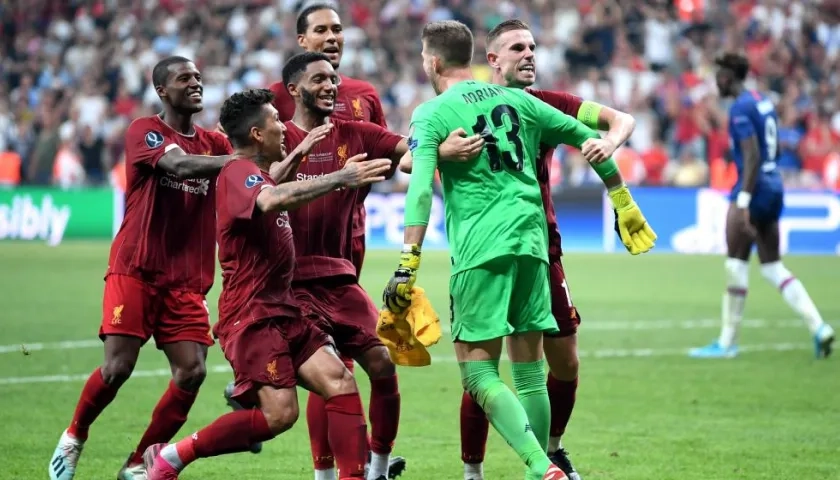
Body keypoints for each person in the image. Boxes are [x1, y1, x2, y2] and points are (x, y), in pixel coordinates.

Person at [383, 20, 655, 480]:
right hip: (534, 246)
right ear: (477, 59)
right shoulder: (522, 101)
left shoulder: (432, 113)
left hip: (481, 250)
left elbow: (419, 191)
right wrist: (622, 199)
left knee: (478, 373)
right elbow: (593, 144)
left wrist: (408, 261)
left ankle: (538, 466)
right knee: (529, 369)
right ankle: (544, 464)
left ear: (431, 62)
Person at [142, 88, 393, 480]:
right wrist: (339, 177)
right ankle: (172, 456)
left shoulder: (253, 172)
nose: (283, 125)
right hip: (253, 317)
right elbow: (270, 199)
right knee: (281, 416)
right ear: (257, 134)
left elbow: (271, 182)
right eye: (276, 120)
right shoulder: (237, 170)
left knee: (340, 381)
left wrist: (298, 153)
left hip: (283, 308)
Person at [47, 56, 235, 480]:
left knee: (193, 372)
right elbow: (179, 165)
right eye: (184, 78)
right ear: (162, 91)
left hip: (186, 279)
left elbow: (246, 180)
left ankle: (137, 464)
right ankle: (74, 437)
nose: (195, 83)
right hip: (137, 267)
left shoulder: (215, 143)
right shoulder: (144, 130)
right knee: (117, 368)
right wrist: (239, 162)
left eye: (199, 77)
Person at [244, 7, 406, 477]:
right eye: (322, 30)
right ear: (301, 41)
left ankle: (369, 465)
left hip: (344, 251)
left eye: (338, 28)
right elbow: (262, 182)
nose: (333, 36)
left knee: (368, 364)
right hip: (291, 264)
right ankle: (325, 468)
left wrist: (430, 153)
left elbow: (391, 152)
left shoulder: (364, 100)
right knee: (333, 372)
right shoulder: (273, 106)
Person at [689, 53, 834, 359]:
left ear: (729, 77)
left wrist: (742, 201)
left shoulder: (740, 108)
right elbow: (776, 148)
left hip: (752, 190)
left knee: (735, 264)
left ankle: (727, 343)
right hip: (774, 185)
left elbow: (752, 155)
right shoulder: (762, 100)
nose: (716, 81)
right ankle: (819, 326)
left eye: (719, 75)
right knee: (772, 266)